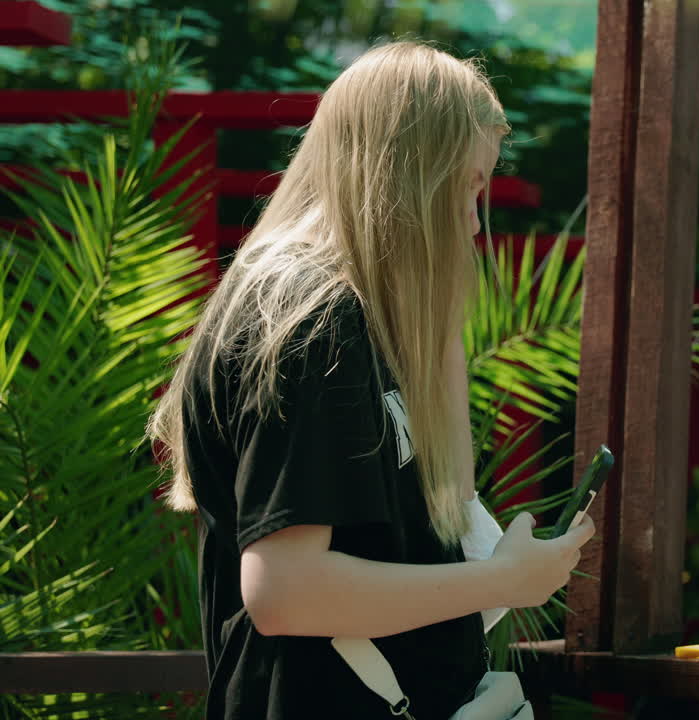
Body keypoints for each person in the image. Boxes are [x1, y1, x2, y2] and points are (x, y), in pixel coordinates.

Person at [147, 41, 595, 719]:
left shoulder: (353, 309)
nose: (475, 221)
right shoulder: (310, 318)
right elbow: (286, 592)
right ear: (412, 173)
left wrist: (439, 327)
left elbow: (450, 499)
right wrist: (501, 581)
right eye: (470, 186)